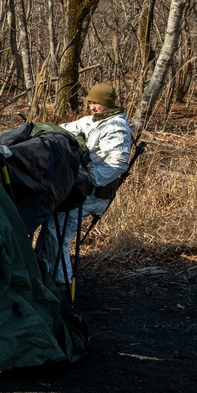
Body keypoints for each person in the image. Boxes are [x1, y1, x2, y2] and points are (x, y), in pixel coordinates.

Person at [36, 82, 133, 286]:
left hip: (94, 193)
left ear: (108, 103)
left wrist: (88, 179)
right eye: (90, 103)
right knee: (52, 226)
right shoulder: (92, 121)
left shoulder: (117, 129)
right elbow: (65, 129)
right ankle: (43, 276)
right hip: (80, 188)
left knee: (58, 233)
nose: (92, 107)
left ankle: (61, 284)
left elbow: (117, 163)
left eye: (97, 103)